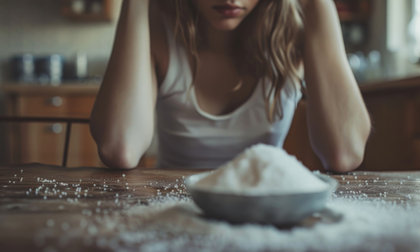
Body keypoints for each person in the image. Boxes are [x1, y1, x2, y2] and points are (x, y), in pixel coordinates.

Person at [90, 0, 371, 172]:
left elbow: (343, 154)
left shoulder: (294, 34)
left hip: (266, 210)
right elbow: (120, 148)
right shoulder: (159, 30)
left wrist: (318, 4)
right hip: (175, 209)